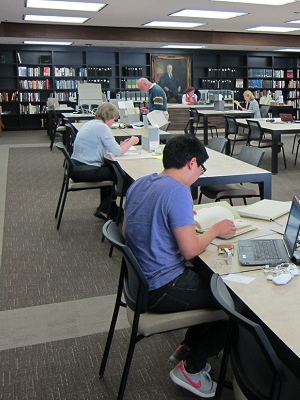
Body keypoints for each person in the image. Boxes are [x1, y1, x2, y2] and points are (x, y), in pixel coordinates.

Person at [123, 135, 236, 398]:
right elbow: (190, 250)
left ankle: (187, 346)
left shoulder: (141, 183)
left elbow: (129, 230)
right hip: (161, 287)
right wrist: (216, 229)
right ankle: (192, 368)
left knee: (208, 280)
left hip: (140, 282)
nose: (199, 174)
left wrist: (178, 220)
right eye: (201, 169)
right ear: (192, 162)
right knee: (235, 301)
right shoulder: (178, 191)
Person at [71, 102, 139, 220]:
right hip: (85, 170)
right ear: (107, 116)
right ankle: (105, 208)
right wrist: (132, 142)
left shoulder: (91, 124)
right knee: (120, 175)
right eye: (113, 119)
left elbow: (106, 148)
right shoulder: (102, 127)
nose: (114, 122)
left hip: (76, 167)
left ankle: (109, 208)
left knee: (111, 170)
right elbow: (118, 152)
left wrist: (121, 145)